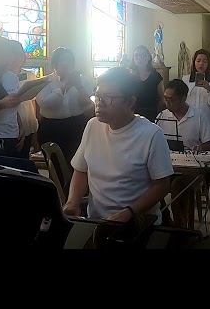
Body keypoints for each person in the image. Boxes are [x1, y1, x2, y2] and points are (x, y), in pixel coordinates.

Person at [63, 67, 174, 225]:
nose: (99, 103)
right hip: (97, 221)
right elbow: (81, 171)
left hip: (137, 223)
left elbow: (161, 186)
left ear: (130, 102)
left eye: (108, 98)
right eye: (98, 96)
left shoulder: (151, 134)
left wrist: (128, 213)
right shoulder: (93, 126)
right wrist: (72, 202)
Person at [155, 79, 210, 227]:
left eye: (171, 99)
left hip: (191, 168)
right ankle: (165, 222)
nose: (167, 103)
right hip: (168, 166)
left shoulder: (198, 115)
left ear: (183, 98)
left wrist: (200, 148)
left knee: (179, 186)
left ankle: (181, 228)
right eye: (165, 98)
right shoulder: (162, 116)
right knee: (148, 182)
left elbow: (209, 144)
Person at [35, 47, 93, 165]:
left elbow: (86, 104)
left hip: (76, 124)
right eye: (63, 60)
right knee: (55, 164)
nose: (67, 64)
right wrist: (64, 85)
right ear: (54, 64)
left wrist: (78, 86)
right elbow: (45, 104)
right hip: (52, 126)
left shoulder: (83, 81)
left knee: (76, 163)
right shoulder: (45, 82)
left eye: (70, 60)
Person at [7, 39, 40, 157]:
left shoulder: (30, 74)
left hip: (28, 121)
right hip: (12, 123)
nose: (18, 58)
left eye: (20, 54)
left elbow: (33, 102)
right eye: (14, 54)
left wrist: (34, 123)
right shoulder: (3, 77)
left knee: (25, 156)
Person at [183, 48, 210, 137]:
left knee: (207, 145)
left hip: (207, 121)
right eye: (198, 61)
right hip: (189, 121)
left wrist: (209, 89)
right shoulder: (186, 79)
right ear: (194, 62)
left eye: (204, 61)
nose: (201, 64)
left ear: (208, 64)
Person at [129, 45, 165, 123]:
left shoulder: (156, 76)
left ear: (148, 57)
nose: (139, 58)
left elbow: (161, 98)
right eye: (136, 56)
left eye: (142, 55)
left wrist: (156, 115)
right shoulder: (130, 77)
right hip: (133, 114)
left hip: (151, 113)